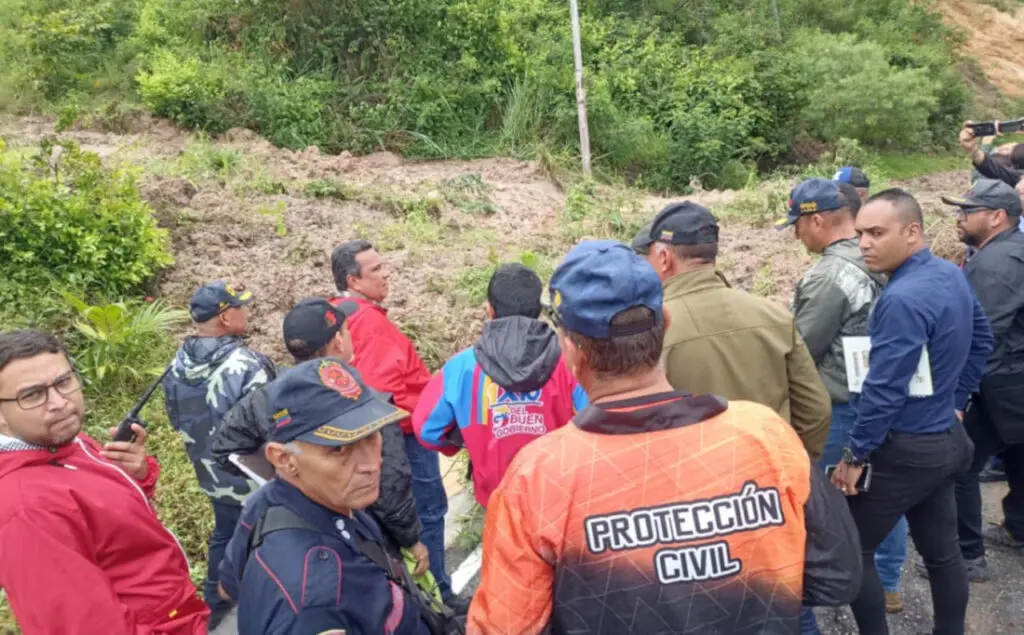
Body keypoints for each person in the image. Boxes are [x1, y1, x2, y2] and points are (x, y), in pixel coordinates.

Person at [467, 240, 862, 634]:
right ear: (667, 323)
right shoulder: (766, 436)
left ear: (570, 350)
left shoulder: (537, 476)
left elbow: (503, 626)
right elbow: (836, 578)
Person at [831, 188, 993, 635]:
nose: (865, 244)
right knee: (943, 553)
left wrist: (855, 455)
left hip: (905, 450)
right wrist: (955, 402)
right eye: (860, 233)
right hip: (945, 441)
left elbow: (884, 389)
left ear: (912, 232)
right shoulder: (949, 273)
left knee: (854, 550)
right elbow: (982, 341)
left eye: (876, 233)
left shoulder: (902, 299)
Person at [218, 358, 454, 635]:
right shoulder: (314, 602)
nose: (371, 464)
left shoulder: (275, 501)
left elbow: (227, 587)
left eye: (372, 435)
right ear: (283, 459)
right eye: (339, 449)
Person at [0, 329, 209, 634]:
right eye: (31, 395)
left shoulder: (62, 442)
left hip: (179, 614)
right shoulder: (27, 511)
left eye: (63, 382)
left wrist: (136, 477)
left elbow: (104, 522)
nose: (58, 402)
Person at [210, 297, 431, 580]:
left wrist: (291, 478)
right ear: (338, 341)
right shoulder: (361, 403)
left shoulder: (266, 398)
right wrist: (412, 539)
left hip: (303, 534)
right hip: (367, 534)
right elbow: (391, 482)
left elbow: (224, 449)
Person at [781, 179, 907, 628]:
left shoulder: (829, 276)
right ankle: (887, 582)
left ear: (816, 221)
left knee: (822, 504)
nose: (796, 235)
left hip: (839, 406)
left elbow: (801, 349)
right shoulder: (886, 259)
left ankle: (829, 585)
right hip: (884, 398)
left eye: (796, 224)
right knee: (884, 497)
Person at [632, 202, 831, 459]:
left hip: (693, 476)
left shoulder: (649, 331)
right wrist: (790, 462)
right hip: (769, 470)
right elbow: (816, 410)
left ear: (663, 258)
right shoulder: (774, 315)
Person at [329, 240, 461, 610]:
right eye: (376, 269)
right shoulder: (369, 322)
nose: (386, 274)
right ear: (353, 280)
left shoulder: (342, 314)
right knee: (427, 514)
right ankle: (440, 599)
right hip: (403, 437)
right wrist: (430, 418)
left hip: (386, 436)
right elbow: (382, 395)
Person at [412, 263, 588, 507]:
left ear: (489, 310)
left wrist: (464, 442)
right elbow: (596, 420)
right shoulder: (570, 360)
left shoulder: (461, 368)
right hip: (560, 497)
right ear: (539, 309)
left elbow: (427, 430)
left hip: (498, 502)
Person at [163, 280, 276, 627]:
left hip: (211, 475)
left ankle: (215, 612)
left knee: (225, 534)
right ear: (225, 317)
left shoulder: (177, 364)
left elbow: (175, 419)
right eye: (240, 306)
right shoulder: (248, 364)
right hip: (254, 479)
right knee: (267, 543)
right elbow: (271, 427)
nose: (247, 311)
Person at [943, 179, 1024, 580]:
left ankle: (967, 555)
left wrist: (958, 395)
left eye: (967, 210)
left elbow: (981, 336)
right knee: (1018, 454)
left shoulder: (996, 264)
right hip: (1012, 378)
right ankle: (1018, 528)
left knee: (960, 465)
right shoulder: (1010, 250)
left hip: (1001, 382)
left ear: (997, 217)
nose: (959, 217)